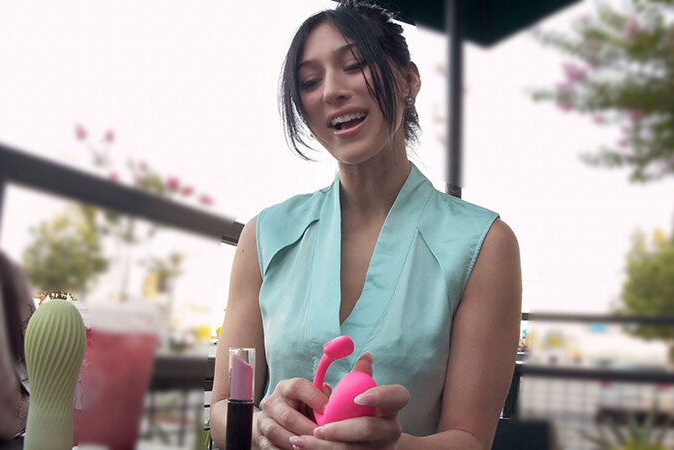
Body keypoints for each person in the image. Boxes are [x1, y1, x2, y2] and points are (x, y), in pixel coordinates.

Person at [211, 1, 522, 448]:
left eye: (355, 64)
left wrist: (393, 447)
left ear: (409, 80)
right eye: (309, 82)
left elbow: (471, 439)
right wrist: (263, 426)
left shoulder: (484, 245)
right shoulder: (264, 235)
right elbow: (224, 404)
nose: (331, 91)